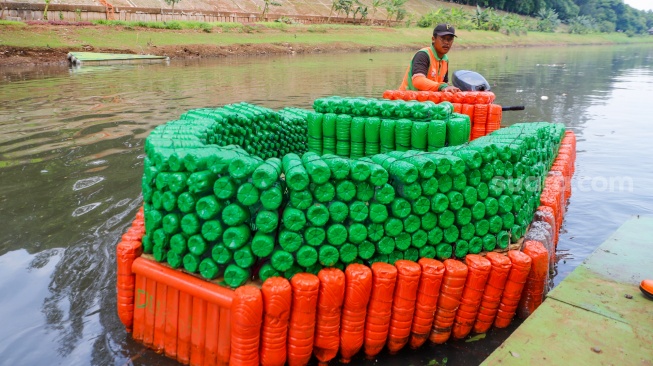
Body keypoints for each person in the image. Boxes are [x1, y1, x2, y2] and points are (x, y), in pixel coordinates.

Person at [398, 23, 461, 93]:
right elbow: (418, 80)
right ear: (433, 39)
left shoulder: (445, 59)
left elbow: (444, 83)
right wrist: (442, 86)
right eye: (443, 38)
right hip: (407, 100)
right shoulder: (423, 55)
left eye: (450, 39)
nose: (446, 42)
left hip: (429, 100)